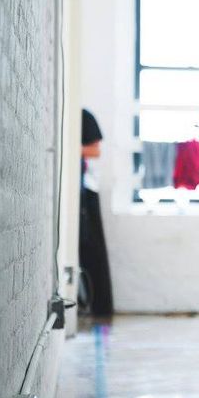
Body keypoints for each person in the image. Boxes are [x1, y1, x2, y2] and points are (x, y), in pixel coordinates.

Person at [79, 109, 114, 316]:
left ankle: (100, 308)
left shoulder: (84, 116)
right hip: (78, 189)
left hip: (88, 190)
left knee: (93, 249)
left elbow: (95, 151)